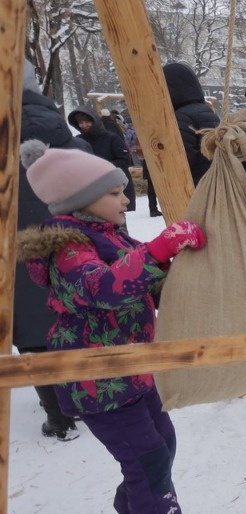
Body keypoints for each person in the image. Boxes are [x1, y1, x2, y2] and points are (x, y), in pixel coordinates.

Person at [18, 140, 217, 514]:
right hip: (100, 380)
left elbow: (134, 280)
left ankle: (133, 513)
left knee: (160, 443)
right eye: (114, 193)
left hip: (133, 369)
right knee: (147, 456)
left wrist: (169, 268)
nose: (126, 199)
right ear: (83, 200)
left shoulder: (106, 235)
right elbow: (104, 289)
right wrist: (158, 249)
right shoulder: (68, 249)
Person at [14, 59, 88, 442]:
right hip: (67, 243)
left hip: (14, 250)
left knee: (31, 330)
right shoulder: (65, 137)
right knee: (73, 316)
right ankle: (82, 395)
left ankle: (58, 415)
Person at [162, 62, 221, 185]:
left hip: (196, 187)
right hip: (216, 180)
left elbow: (182, 160)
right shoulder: (208, 111)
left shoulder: (181, 117)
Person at [67, 106, 136, 211]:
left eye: (87, 122)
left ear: (94, 121)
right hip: (90, 190)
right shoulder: (78, 141)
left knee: (117, 223)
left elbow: (124, 161)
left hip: (113, 187)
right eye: (80, 123)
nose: (84, 125)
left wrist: (101, 168)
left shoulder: (111, 138)